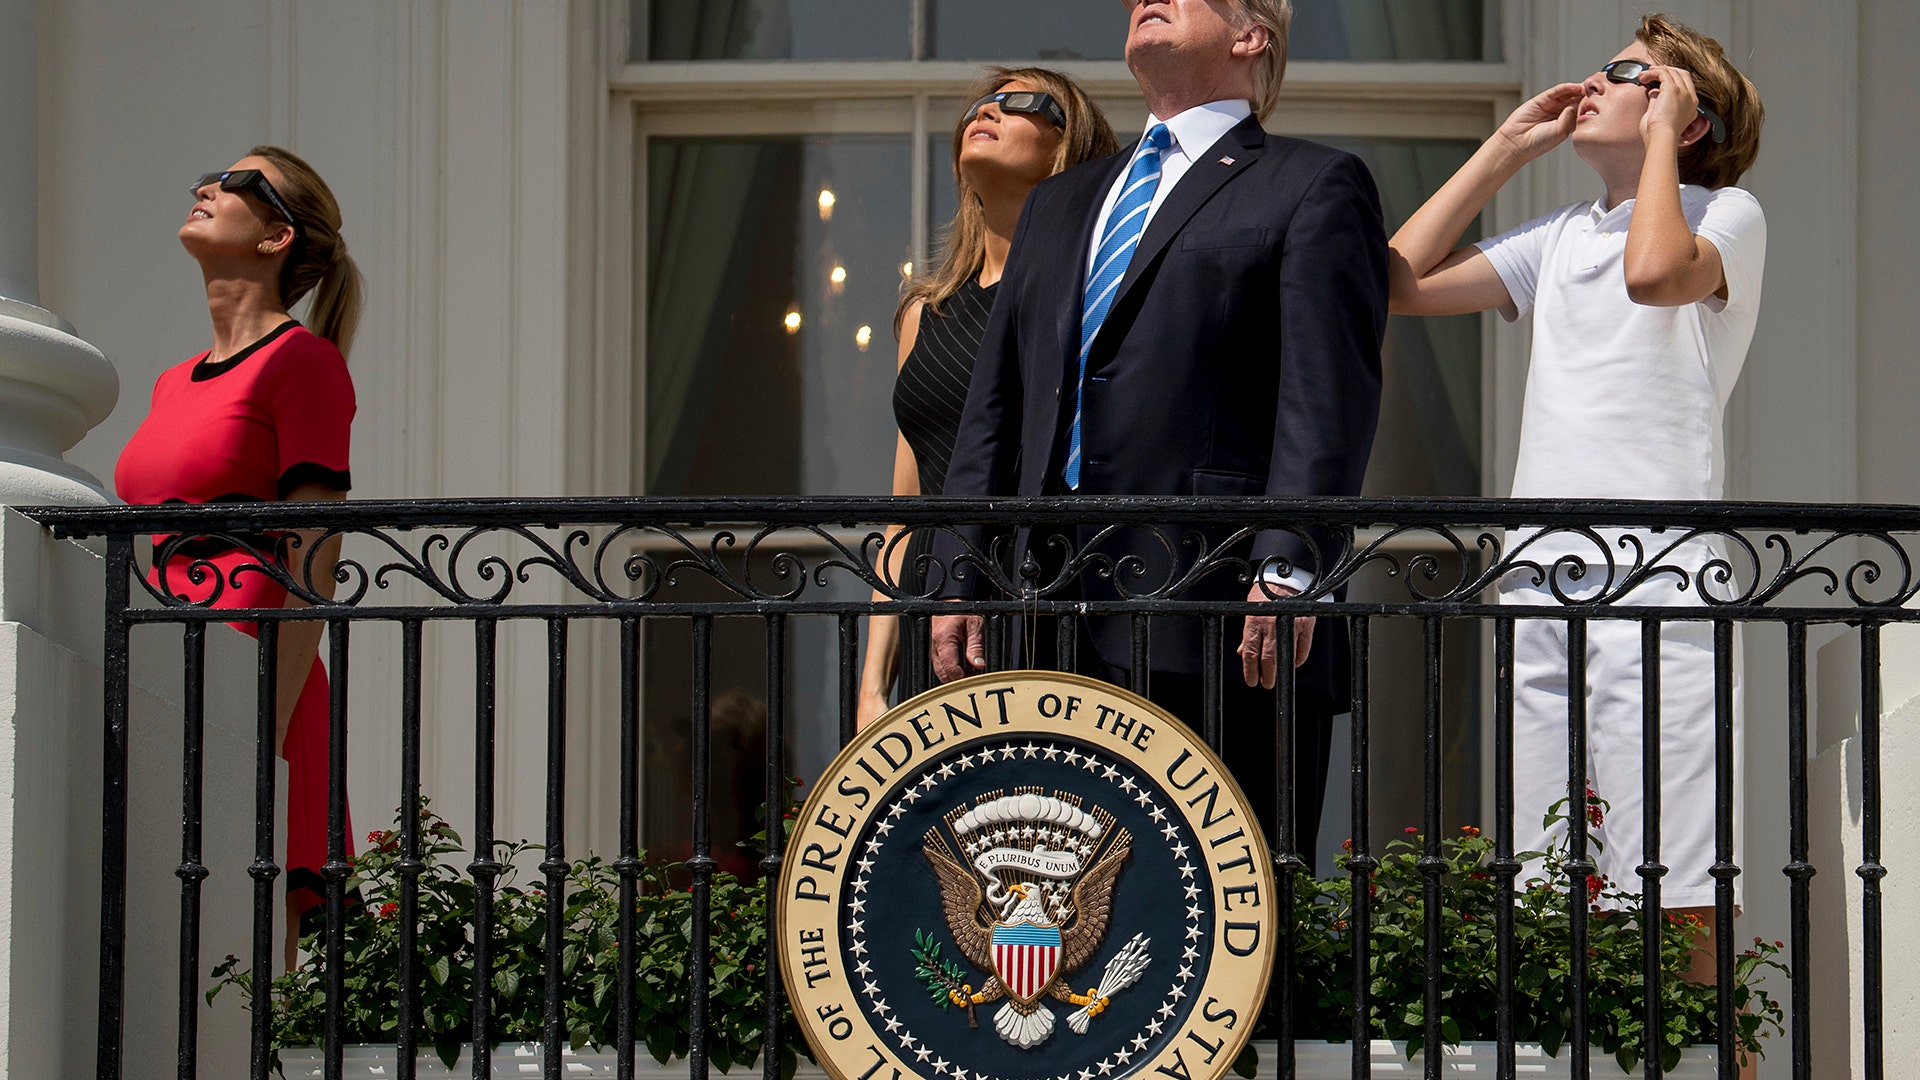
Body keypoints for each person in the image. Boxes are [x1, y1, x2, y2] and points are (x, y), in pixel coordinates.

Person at [929, 0, 1388, 861]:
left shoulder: (1312, 182)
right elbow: (996, 406)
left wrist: (1290, 566)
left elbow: (1326, 395)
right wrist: (958, 570)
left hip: (1215, 615)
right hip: (1046, 616)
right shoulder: (1062, 202)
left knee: (1225, 920)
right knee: (1046, 905)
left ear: (1253, 37)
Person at [1385, 13, 1765, 992]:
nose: (1592, 83)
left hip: (1662, 579)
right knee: (1554, 869)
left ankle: (1704, 1050)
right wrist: (1504, 150)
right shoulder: (1557, 237)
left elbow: (1652, 276)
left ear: (1685, 117)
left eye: (1627, 75)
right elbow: (1393, 281)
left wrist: (1659, 138)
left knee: (1672, 862)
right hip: (1542, 579)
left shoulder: (1725, 214)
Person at [115, 145, 363, 966]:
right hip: (165, 650)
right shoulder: (172, 381)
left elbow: (315, 551)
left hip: (255, 660)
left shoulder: (303, 364)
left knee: (243, 938)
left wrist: (270, 722)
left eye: (239, 184)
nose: (206, 187)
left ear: (276, 237)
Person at [856, 68, 1119, 729]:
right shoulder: (927, 311)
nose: (989, 110)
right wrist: (870, 687)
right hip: (936, 610)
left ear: (1069, 146)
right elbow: (906, 512)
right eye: (982, 102)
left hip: (1047, 609)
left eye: (1021, 102)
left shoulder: (1090, 299)